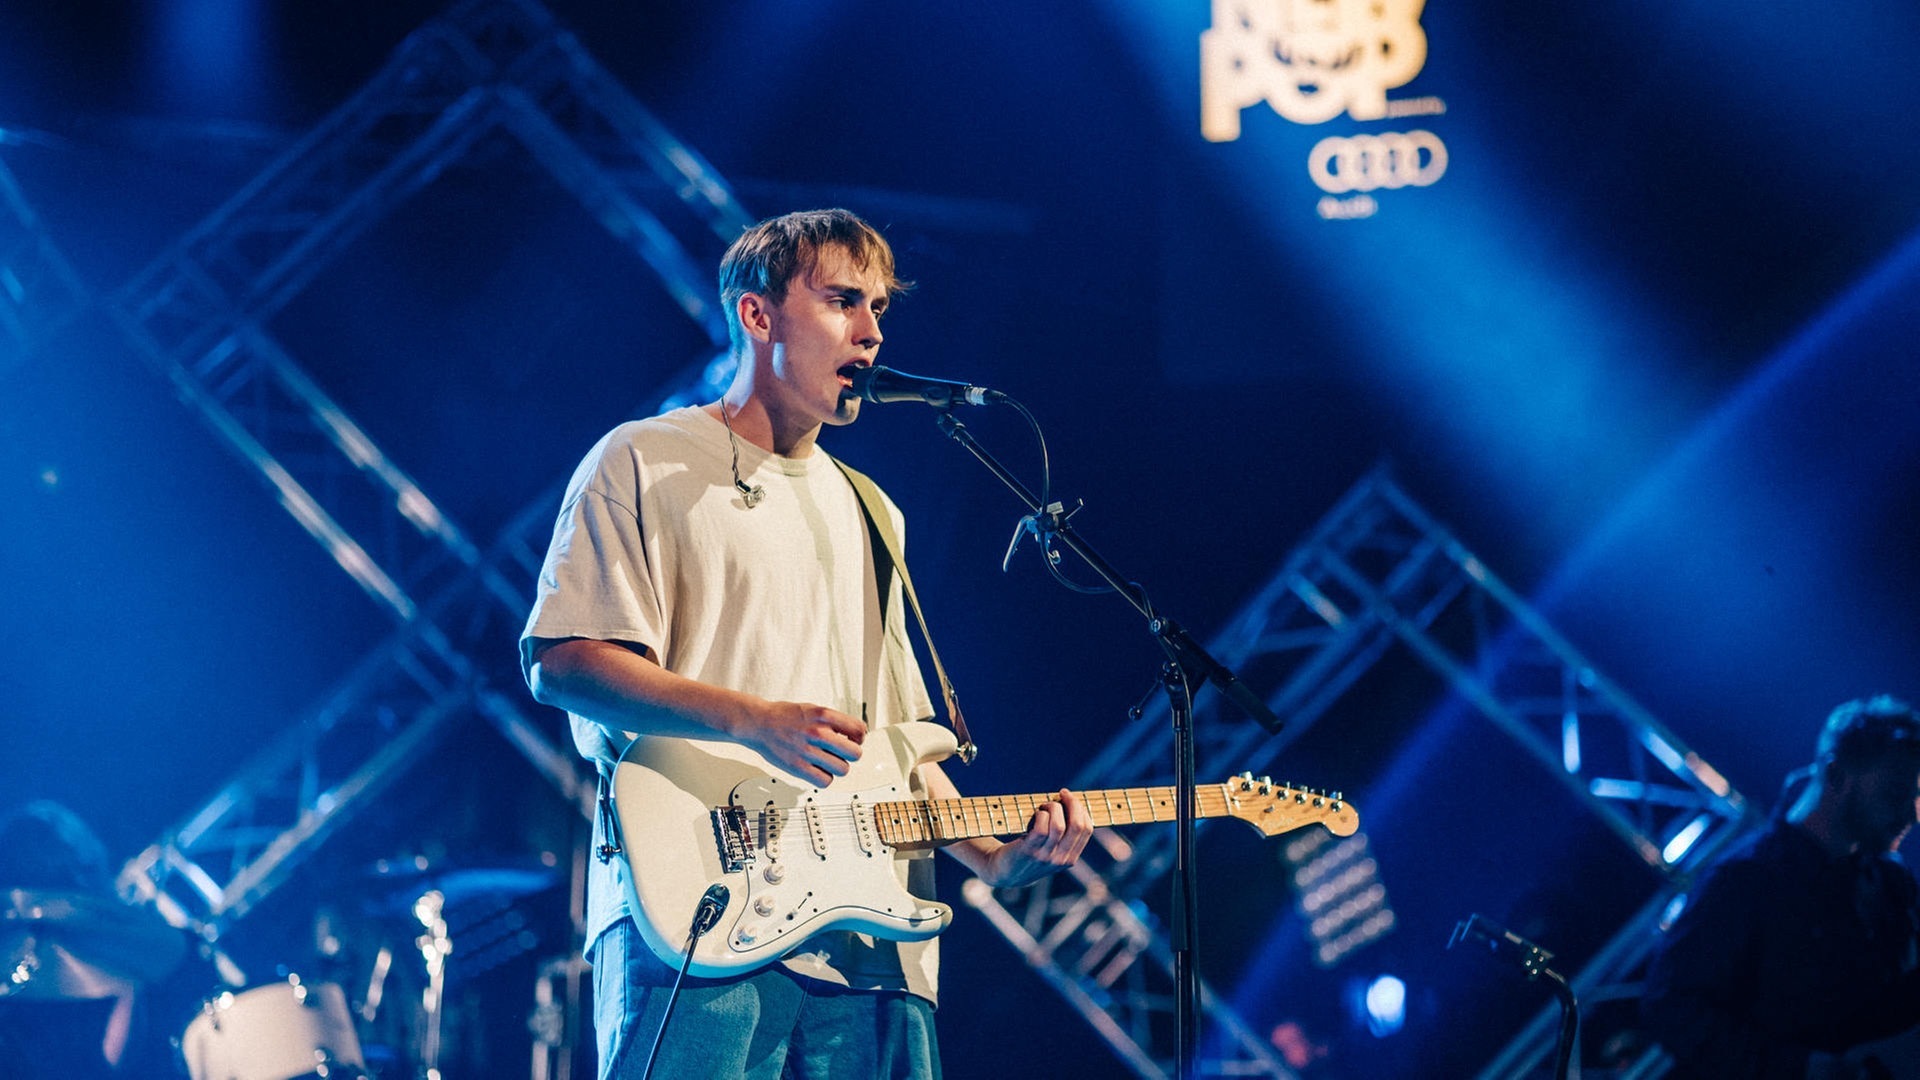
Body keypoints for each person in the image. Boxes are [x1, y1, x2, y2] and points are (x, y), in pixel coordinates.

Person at [520, 208, 1093, 1080]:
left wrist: (995, 857)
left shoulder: (871, 510)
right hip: (693, 919)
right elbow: (561, 660)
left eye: (878, 309)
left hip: (872, 947)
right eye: (841, 302)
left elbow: (894, 745)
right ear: (757, 316)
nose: (871, 331)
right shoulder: (643, 461)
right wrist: (753, 721)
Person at [1642, 694, 1920, 1078]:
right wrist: (1797, 1067)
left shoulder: (1890, 882)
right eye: (1894, 794)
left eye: (1915, 798)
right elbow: (1670, 1005)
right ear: (1837, 776)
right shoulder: (1746, 878)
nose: (1910, 815)